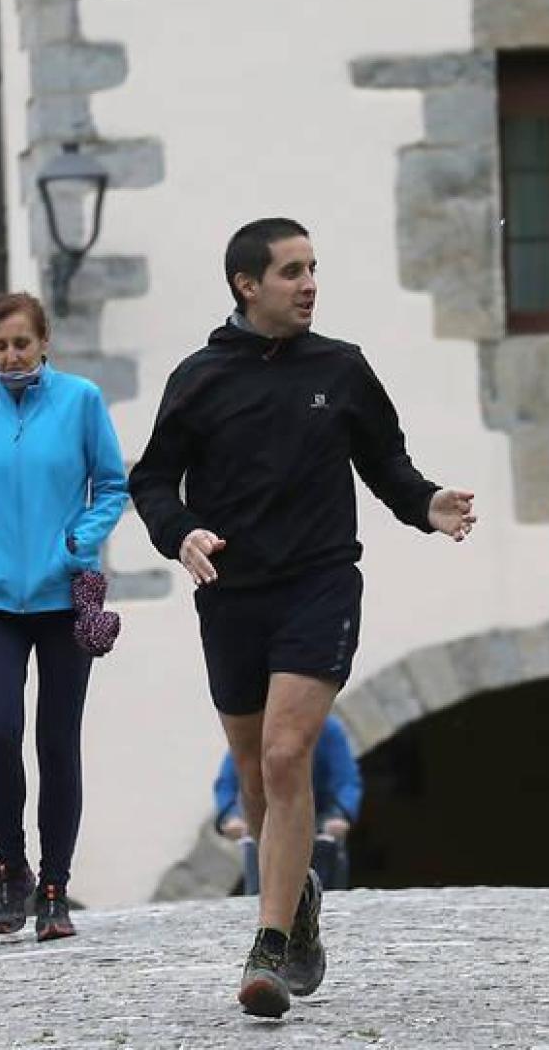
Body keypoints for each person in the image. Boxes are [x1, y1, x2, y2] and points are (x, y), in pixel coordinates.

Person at [130, 217, 476, 1018]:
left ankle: (269, 945)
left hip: (320, 585)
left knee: (289, 756)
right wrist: (180, 533)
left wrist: (427, 504)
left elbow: (387, 465)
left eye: (313, 267)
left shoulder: (342, 369)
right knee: (254, 771)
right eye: (291, 271)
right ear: (247, 285)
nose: (309, 283)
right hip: (231, 593)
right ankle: (298, 899)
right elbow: (150, 482)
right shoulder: (200, 378)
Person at [0, 291, 128, 942]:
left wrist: (82, 541)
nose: (12, 355)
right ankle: (10, 868)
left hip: (61, 595)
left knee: (56, 741)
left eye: (22, 342)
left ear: (45, 342)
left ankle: (54, 888)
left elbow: (111, 483)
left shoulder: (80, 401)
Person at [216, 714, 363, 893]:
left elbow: (347, 780)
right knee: (260, 883)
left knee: (327, 885)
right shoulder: (253, 729)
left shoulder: (327, 729)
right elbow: (227, 782)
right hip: (265, 825)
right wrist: (230, 816)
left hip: (318, 824)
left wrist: (341, 813)